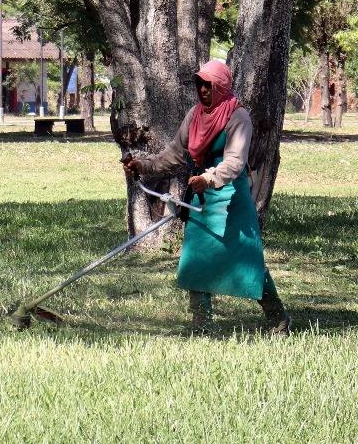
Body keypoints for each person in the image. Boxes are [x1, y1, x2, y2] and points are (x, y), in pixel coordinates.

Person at [123, 60, 291, 336]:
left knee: (245, 259)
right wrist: (144, 165)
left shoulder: (239, 117)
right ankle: (202, 325)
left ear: (221, 86)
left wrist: (209, 179)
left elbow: (236, 162)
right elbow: (174, 154)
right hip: (202, 195)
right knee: (195, 259)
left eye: (208, 85)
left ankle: (279, 318)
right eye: (199, 84)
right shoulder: (195, 115)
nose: (202, 90)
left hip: (232, 196)